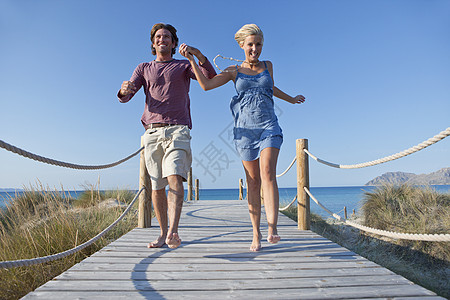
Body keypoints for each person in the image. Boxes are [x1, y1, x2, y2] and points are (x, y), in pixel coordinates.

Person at [179, 24, 305, 251]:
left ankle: (272, 227)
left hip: (269, 126)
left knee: (268, 173)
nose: (255, 49)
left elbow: (271, 88)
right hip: (245, 132)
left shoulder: (268, 66)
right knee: (253, 182)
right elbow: (206, 86)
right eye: (250, 44)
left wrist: (291, 99)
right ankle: (255, 233)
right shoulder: (233, 71)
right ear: (241, 45)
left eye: (258, 44)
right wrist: (193, 59)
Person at [118, 23, 216, 249]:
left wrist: (197, 55)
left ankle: (173, 231)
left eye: (167, 37)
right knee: (157, 186)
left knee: (174, 176)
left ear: (173, 43)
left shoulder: (183, 66)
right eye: (158, 37)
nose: (162, 39)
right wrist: (124, 90)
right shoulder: (143, 67)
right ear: (153, 43)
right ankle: (162, 234)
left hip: (178, 130)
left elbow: (210, 77)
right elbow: (127, 94)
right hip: (152, 132)